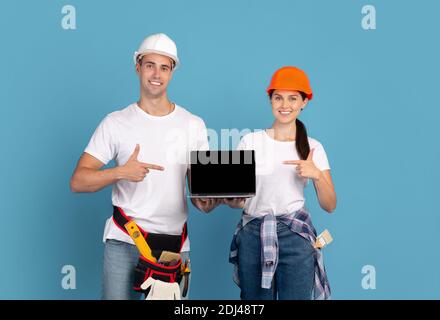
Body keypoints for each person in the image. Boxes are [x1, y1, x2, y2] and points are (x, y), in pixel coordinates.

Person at [70, 33, 220, 300]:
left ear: (172, 72)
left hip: (175, 245)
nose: (156, 74)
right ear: (137, 66)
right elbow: (78, 181)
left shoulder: (192, 124)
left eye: (164, 67)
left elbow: (200, 198)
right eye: (150, 65)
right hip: (124, 241)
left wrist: (219, 200)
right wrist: (120, 173)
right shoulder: (115, 122)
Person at [225, 66, 337, 300]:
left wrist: (316, 174)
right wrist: (230, 198)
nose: (285, 105)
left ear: (304, 102)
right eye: (278, 98)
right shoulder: (250, 141)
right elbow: (239, 202)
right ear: (270, 99)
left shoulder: (314, 147)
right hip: (254, 233)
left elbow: (330, 205)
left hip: (295, 236)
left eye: (293, 98)